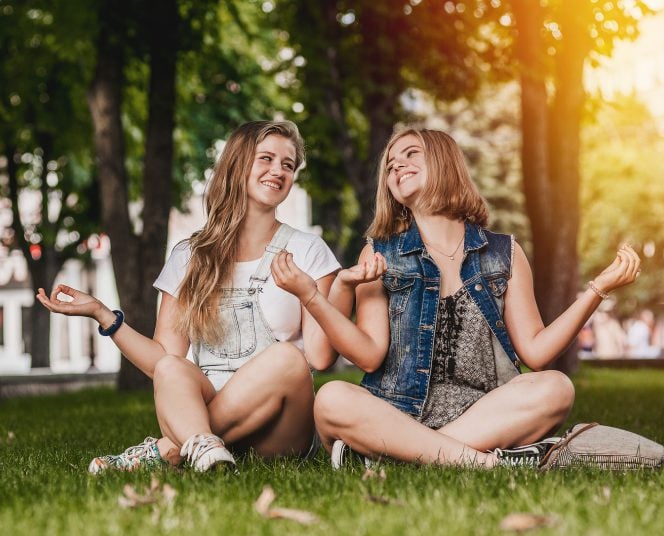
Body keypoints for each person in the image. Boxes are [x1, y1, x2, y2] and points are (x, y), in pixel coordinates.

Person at [272, 128, 642, 468]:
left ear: (444, 163)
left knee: (556, 388)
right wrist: (315, 296)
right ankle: (487, 462)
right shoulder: (380, 254)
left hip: (482, 413)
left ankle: (396, 456)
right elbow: (368, 355)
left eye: (411, 154)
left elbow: (538, 353)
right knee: (332, 398)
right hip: (396, 413)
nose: (397, 164)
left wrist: (598, 290)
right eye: (390, 164)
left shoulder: (504, 253)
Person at [37, 120, 341, 473]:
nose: (278, 171)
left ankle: (171, 449)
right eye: (267, 159)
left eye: (288, 165)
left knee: (288, 358)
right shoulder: (190, 256)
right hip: (203, 421)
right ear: (238, 163)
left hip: (280, 430)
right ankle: (205, 446)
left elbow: (319, 359)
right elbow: (162, 359)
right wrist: (104, 315)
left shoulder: (308, 251)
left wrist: (312, 292)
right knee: (170, 366)